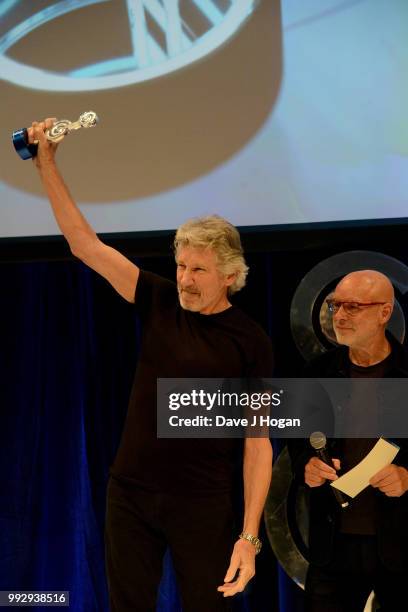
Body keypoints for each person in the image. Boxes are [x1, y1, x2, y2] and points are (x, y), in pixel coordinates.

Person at [28, 119, 274, 611]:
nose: (184, 279)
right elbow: (84, 244)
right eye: (181, 265)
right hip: (132, 496)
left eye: (198, 269)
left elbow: (258, 444)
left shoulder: (251, 341)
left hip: (203, 505)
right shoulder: (158, 299)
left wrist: (248, 537)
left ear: (230, 274)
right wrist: (46, 163)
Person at [289, 270, 408, 612]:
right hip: (333, 546)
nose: (339, 316)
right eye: (335, 305)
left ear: (384, 312)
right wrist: (306, 467)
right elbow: (297, 442)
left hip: (400, 544)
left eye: (353, 307)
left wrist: (407, 476)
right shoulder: (316, 374)